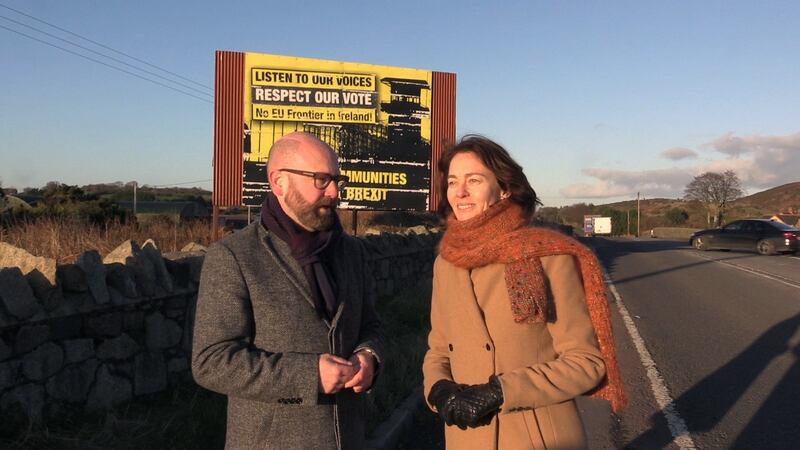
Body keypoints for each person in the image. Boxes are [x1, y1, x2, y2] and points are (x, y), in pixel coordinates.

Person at [422, 135, 626, 449]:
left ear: (504, 189)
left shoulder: (548, 256)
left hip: (539, 439)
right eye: (452, 182)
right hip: (466, 438)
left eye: (473, 180)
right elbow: (439, 348)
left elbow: (586, 363)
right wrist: (437, 390)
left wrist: (501, 392)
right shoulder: (445, 263)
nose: (459, 192)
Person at [192, 132, 384, 450]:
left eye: (337, 180)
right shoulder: (234, 256)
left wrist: (369, 357)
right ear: (279, 182)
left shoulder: (352, 251)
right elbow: (211, 361)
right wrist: (309, 375)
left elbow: (371, 325)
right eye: (321, 180)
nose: (334, 192)